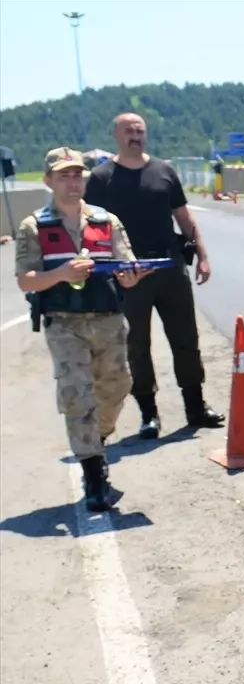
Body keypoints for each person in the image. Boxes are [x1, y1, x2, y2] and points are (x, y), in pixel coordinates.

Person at [16, 147, 152, 510]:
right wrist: (60, 274)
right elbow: (25, 281)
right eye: (64, 175)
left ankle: (98, 438)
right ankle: (95, 479)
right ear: (48, 181)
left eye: (77, 174)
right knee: (78, 397)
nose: (72, 181)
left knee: (117, 386)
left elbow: (126, 267)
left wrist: (131, 276)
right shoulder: (34, 226)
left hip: (108, 319)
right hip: (64, 324)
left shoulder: (107, 221)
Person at [84, 113, 224, 439]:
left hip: (170, 269)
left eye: (140, 131)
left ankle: (196, 406)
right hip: (128, 274)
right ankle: (149, 415)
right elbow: (90, 229)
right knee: (137, 346)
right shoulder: (102, 178)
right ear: (116, 135)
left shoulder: (163, 171)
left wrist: (202, 256)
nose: (135, 136)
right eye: (129, 131)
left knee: (186, 340)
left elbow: (185, 218)